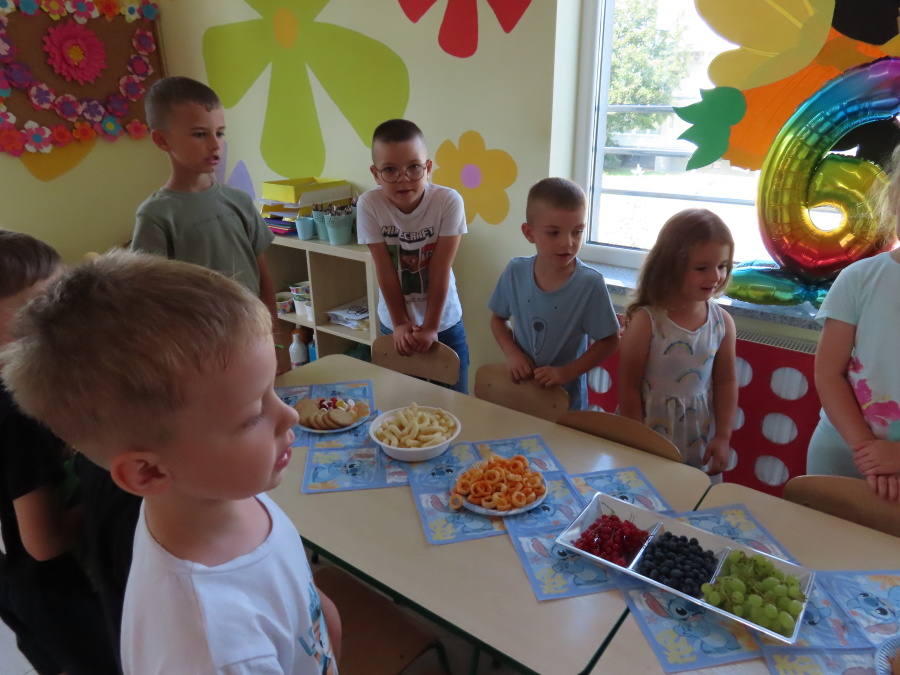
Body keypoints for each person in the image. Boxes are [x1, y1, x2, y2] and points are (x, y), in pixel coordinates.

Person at [1, 250, 341, 674]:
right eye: (254, 413)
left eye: (272, 389)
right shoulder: (211, 649)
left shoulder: (219, 495)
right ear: (149, 472)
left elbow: (297, 599)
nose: (289, 415)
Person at [0, 231, 118, 675]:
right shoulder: (19, 414)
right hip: (60, 599)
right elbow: (44, 542)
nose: (66, 318)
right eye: (42, 307)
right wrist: (108, 491)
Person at [129, 76, 286, 369]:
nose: (215, 145)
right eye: (200, 134)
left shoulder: (239, 201)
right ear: (162, 140)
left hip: (253, 338)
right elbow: (151, 303)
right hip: (200, 352)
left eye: (220, 133)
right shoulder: (156, 215)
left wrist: (274, 338)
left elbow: (263, 275)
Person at [807, 143, 900, 501]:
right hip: (842, 451)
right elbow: (828, 372)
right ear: (893, 200)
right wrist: (867, 450)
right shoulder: (858, 278)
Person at [618, 209, 737, 481]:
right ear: (670, 266)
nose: (715, 276)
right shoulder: (647, 321)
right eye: (702, 268)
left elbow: (726, 382)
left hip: (697, 440)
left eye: (722, 266)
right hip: (646, 434)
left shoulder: (722, 323)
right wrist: (637, 440)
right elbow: (628, 387)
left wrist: (723, 436)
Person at [357, 118, 470, 393]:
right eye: (390, 170)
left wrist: (431, 327)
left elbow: (440, 269)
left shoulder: (448, 201)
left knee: (455, 402)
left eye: (414, 167)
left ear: (428, 168)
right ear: (375, 174)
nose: (403, 178)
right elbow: (384, 269)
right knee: (404, 402)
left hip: (444, 322)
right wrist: (400, 324)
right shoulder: (369, 204)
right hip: (394, 323)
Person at [488, 178, 620, 410]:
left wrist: (566, 373)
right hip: (521, 393)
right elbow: (498, 319)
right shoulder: (515, 271)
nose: (567, 243)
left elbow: (609, 341)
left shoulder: (590, 283)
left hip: (566, 402)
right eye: (553, 233)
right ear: (529, 233)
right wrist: (512, 354)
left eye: (577, 232)